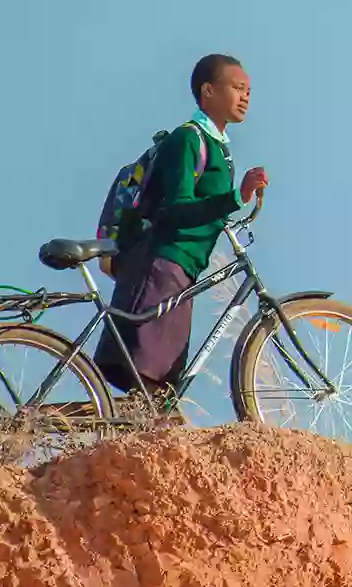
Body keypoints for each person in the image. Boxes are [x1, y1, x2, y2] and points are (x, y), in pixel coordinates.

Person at [93, 53, 268, 404]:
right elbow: (174, 209)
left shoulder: (217, 146)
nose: (246, 96)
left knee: (160, 390)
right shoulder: (187, 140)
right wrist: (236, 196)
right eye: (237, 88)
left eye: (249, 90)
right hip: (160, 264)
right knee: (150, 379)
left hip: (179, 269)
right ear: (208, 91)